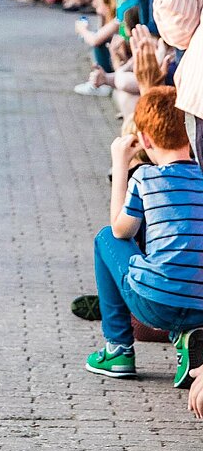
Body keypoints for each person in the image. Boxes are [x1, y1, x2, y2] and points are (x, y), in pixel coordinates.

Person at [83, 87, 203, 386]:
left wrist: (121, 164)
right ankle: (187, 339)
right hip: (200, 306)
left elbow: (119, 230)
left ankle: (118, 350)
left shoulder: (146, 177)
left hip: (155, 305)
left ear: (145, 139)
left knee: (105, 239)